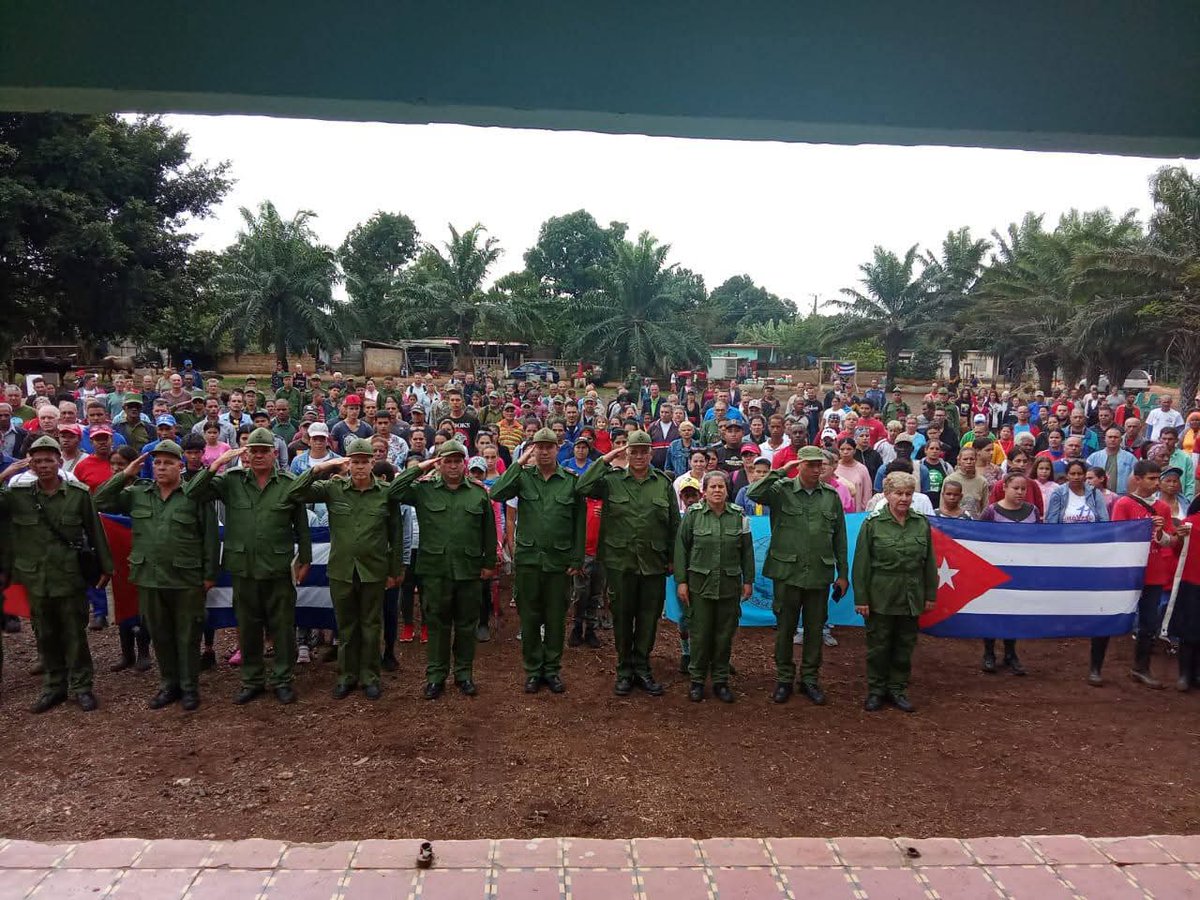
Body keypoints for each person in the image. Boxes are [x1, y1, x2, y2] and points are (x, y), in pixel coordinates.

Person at [184, 429, 312, 705]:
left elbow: (301, 524)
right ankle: (252, 679)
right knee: (248, 626)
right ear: (246, 454)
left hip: (278, 568)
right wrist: (216, 465)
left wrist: (306, 558)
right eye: (253, 450)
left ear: (275, 454)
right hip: (244, 568)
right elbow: (192, 492)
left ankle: (282, 679)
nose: (258, 455)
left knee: (282, 627)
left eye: (264, 451)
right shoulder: (231, 481)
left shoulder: (289, 483)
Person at [93, 440, 217, 711]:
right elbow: (100, 499)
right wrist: (125, 474)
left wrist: (209, 574)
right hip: (149, 576)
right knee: (160, 633)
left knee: (188, 634)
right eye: (157, 462)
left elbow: (209, 537)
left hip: (186, 578)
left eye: (168, 463)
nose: (161, 468)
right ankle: (168, 684)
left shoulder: (194, 495)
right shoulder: (139, 492)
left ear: (180, 466)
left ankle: (189, 687)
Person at [0, 437, 113, 713]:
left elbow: (95, 531)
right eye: (37, 461)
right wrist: (5, 474)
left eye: (48, 460)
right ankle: (54, 687)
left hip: (70, 575)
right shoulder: (19, 495)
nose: (43, 466)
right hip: (36, 578)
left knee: (75, 634)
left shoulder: (78, 493)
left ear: (59, 462)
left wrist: (106, 567)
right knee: (45, 634)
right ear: (30, 464)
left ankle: (82, 686)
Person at [289, 439, 404, 700]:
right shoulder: (333, 488)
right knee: (346, 626)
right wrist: (323, 467)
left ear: (372, 463)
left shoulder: (386, 492)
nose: (360, 467)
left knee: (371, 625)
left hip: (373, 569)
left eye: (365, 462)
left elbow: (395, 534)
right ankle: (347, 675)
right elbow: (295, 493)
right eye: (355, 462)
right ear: (347, 463)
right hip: (342, 569)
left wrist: (395, 569)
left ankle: (370, 676)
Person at [388, 440, 497, 699]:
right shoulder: (424, 490)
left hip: (468, 570)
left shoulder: (478, 493)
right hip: (435, 571)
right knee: (437, 624)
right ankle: (436, 676)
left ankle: (463, 674)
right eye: (446, 461)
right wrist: (421, 467)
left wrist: (488, 564)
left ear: (464, 463)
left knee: (466, 625)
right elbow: (394, 490)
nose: (452, 466)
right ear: (439, 463)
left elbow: (489, 532)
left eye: (457, 461)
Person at [577, 430, 680, 696]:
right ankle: (624, 670)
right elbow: (582, 486)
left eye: (643, 451)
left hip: (653, 563)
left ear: (651, 453)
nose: (638, 456)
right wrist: (605, 459)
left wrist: (672, 559)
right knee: (622, 618)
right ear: (626, 453)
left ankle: (643, 668)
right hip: (620, 562)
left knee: (648, 619)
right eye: (633, 451)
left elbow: (673, 525)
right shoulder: (611, 481)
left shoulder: (662, 483)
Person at [746, 445, 849, 705]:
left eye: (820, 465)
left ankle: (810, 679)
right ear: (799, 465)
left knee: (815, 628)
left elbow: (840, 538)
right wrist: (780, 471)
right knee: (785, 628)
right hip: (787, 572)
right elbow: (753, 492)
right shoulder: (781, 491)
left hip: (818, 572)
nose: (817, 469)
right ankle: (784, 678)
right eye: (811, 465)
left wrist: (843, 574)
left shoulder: (830, 496)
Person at [488, 428, 585, 694]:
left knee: (555, 618)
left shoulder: (570, 480)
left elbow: (579, 522)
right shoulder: (523, 478)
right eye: (538, 447)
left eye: (548, 447)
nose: (543, 451)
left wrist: (577, 557)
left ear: (557, 449)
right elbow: (497, 492)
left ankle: (551, 669)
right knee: (529, 618)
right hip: (529, 560)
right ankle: (532, 670)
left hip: (559, 560)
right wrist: (518, 464)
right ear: (532, 450)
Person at [1091, 461, 1183, 688]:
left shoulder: (1162, 507)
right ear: (1138, 479)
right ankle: (1095, 667)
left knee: (1149, 623)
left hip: (1153, 571)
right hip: (1126, 573)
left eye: (1157, 478)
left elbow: (1170, 542)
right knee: (1109, 617)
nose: (1156, 483)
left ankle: (1140, 667)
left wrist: (1160, 532)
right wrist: (1142, 527)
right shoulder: (1123, 503)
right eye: (1151, 478)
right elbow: (1118, 537)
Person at [853, 470, 938, 713]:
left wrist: (930, 594)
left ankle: (898, 689)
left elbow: (929, 563)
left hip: (911, 593)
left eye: (908, 494)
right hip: (882, 593)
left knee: (905, 644)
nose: (903, 498)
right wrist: (862, 598)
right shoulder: (872, 524)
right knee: (879, 646)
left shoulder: (920, 524)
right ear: (887, 495)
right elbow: (862, 564)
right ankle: (876, 690)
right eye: (898, 493)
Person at [674, 470, 754, 703]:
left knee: (724, 635)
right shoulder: (693, 515)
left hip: (728, 586)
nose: (717, 490)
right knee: (699, 635)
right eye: (713, 487)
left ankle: (720, 680)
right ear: (704, 492)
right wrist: (682, 582)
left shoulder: (739, 516)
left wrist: (747, 580)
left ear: (727, 490)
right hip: (700, 586)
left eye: (721, 487)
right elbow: (681, 549)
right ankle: (697, 680)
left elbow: (747, 551)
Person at [978, 471, 1040, 675]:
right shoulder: (991, 511)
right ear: (1004, 487)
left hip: (1021, 571)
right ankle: (989, 653)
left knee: (1015, 611)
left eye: (1024, 489)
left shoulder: (1033, 511)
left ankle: (1011, 653)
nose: (1020, 492)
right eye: (1016, 488)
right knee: (992, 611)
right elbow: (978, 539)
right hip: (994, 570)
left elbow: (1040, 539)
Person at [1166, 494, 1200, 690]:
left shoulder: (1188, 523)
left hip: (1191, 581)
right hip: (1192, 582)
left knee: (1191, 630)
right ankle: (1188, 675)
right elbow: (1177, 549)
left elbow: (1177, 551)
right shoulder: (1188, 525)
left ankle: (1189, 675)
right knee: (1190, 630)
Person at [1044, 459, 1110, 524]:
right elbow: (1052, 522)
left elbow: (1104, 519)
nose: (1076, 477)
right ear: (1067, 475)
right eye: (1072, 474)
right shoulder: (1058, 493)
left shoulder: (1095, 493)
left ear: (1084, 475)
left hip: (1092, 534)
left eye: (1079, 474)